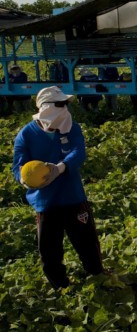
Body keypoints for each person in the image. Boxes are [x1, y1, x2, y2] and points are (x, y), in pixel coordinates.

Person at [12, 86, 103, 289]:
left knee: (87, 242)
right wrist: (23, 179)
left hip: (72, 197)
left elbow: (79, 152)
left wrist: (60, 168)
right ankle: (59, 286)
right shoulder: (26, 135)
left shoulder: (72, 128)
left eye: (66, 104)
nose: (65, 108)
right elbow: (18, 166)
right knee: (49, 249)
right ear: (45, 107)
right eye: (60, 104)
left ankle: (97, 277)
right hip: (46, 201)